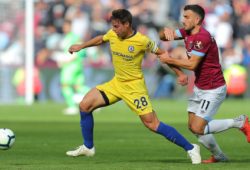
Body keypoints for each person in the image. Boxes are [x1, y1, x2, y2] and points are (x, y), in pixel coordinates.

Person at [66, 9, 201, 164]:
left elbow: (162, 54)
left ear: (127, 24)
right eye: (113, 26)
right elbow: (100, 39)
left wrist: (180, 74)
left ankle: (190, 148)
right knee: (85, 105)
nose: (114, 30)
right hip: (116, 84)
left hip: (134, 88)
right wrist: (81, 46)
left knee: (152, 124)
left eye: (117, 26)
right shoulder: (113, 34)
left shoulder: (142, 41)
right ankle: (88, 147)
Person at [158, 4, 250, 163]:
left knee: (198, 127)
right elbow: (165, 36)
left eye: (187, 17)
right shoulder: (186, 32)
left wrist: (169, 59)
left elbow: (192, 64)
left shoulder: (203, 38)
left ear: (197, 19)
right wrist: (164, 32)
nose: (183, 19)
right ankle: (219, 156)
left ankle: (240, 122)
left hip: (213, 88)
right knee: (193, 127)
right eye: (183, 16)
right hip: (200, 87)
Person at [37, 20, 90, 115]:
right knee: (79, 86)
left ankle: (72, 107)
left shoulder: (73, 38)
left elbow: (79, 51)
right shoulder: (68, 37)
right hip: (75, 65)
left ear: (70, 27)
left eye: (66, 26)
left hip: (71, 65)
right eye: (64, 26)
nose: (64, 28)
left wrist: (69, 59)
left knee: (65, 85)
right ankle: (96, 101)